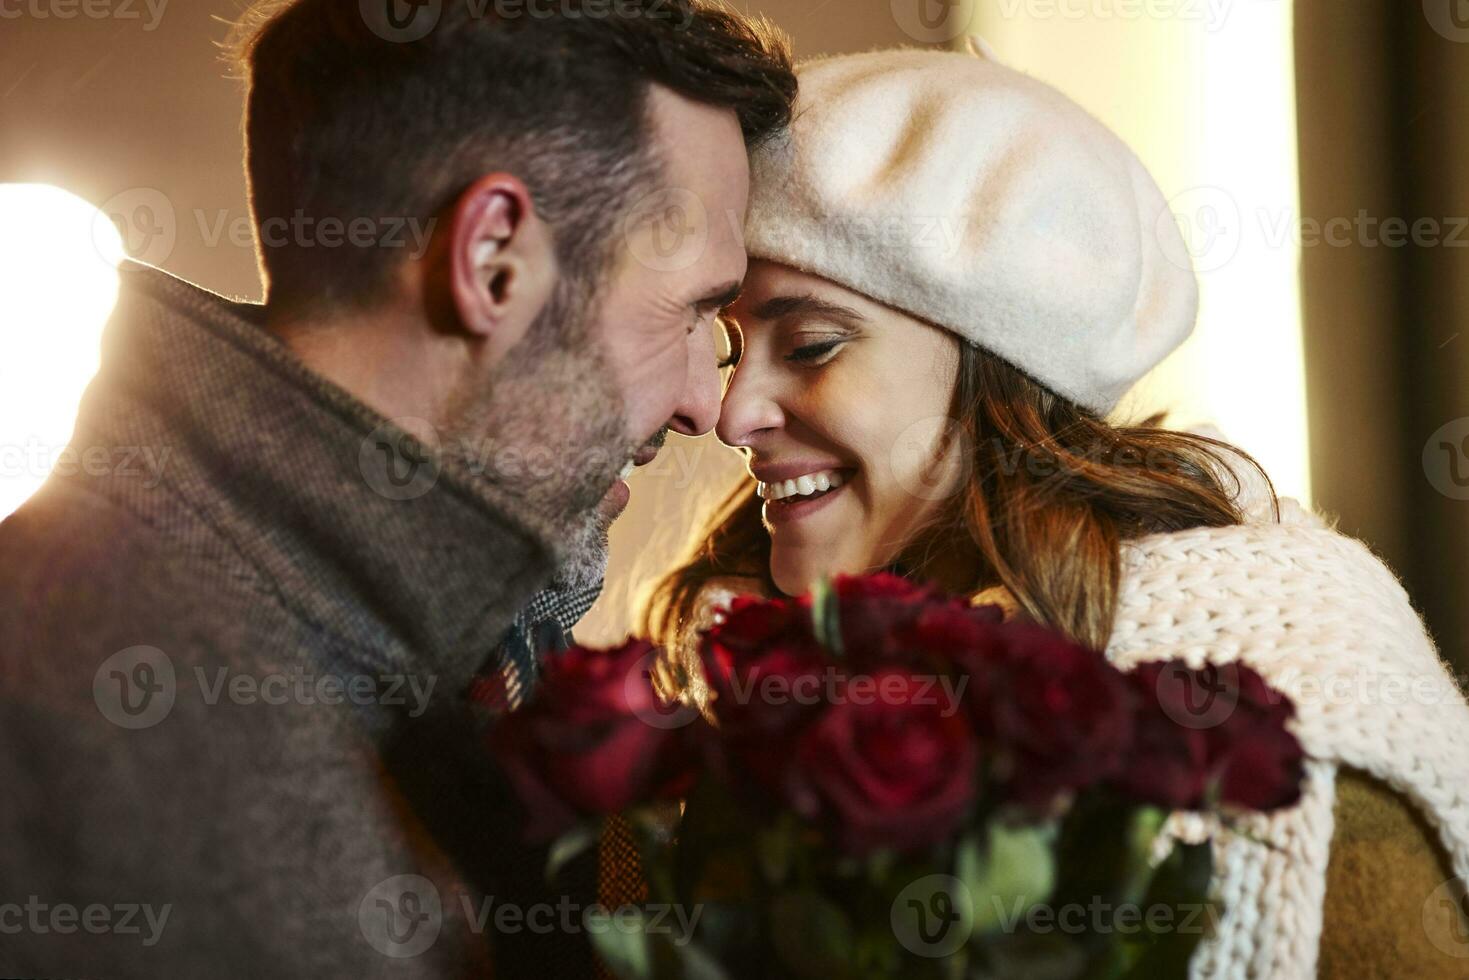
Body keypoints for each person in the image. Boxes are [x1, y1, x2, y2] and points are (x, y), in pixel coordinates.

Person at [0, 1, 794, 977]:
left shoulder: (487, 652)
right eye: (689, 315)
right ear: (493, 261)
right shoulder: (84, 704)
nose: (703, 405)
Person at [645, 48, 1469, 977]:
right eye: (730, 348)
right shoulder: (751, 682)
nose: (730, 413)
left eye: (811, 345)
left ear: (998, 363)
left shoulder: (1285, 693)